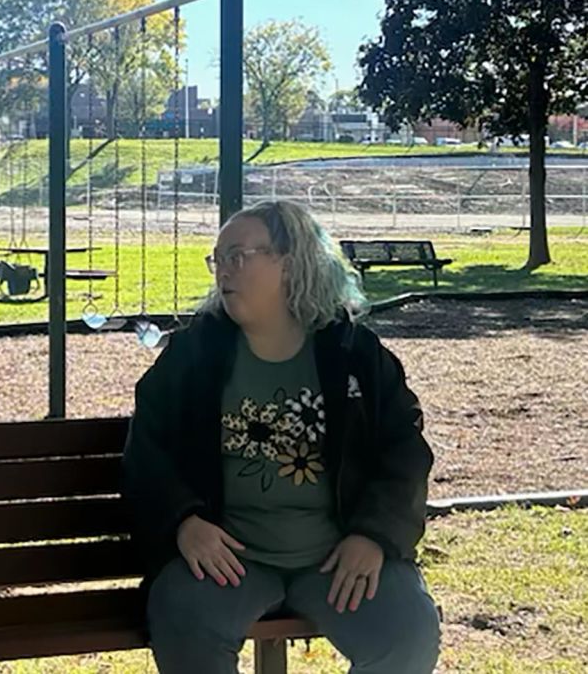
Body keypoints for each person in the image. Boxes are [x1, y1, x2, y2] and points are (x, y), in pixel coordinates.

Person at [123, 201, 439, 673]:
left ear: (290, 262)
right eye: (218, 259)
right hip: (227, 563)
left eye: (238, 256)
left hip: (337, 560)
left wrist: (374, 536)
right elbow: (147, 452)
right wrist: (184, 522)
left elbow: (405, 452)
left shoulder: (353, 352)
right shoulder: (192, 354)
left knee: (407, 632)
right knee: (185, 624)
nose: (223, 272)